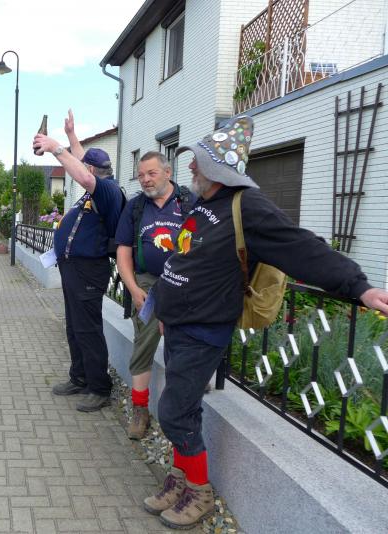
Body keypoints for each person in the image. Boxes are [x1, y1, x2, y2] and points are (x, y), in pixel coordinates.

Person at [144, 116, 388, 529]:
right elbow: (187, 257)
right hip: (179, 323)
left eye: (198, 161)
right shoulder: (204, 202)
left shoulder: (247, 206)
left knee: (173, 411)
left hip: (204, 329)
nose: (191, 167)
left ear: (217, 168)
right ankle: (181, 479)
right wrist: (165, 311)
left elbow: (300, 246)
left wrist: (358, 286)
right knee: (182, 407)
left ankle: (199, 492)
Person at [33, 109, 124, 413]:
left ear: (94, 170)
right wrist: (72, 135)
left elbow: (83, 173)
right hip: (73, 269)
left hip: (88, 270)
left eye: (85, 167)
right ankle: (80, 377)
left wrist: (55, 147)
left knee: (88, 329)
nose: (79, 169)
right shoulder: (97, 184)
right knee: (75, 326)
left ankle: (99, 387)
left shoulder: (108, 189)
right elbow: (84, 162)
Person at [115, 152, 195, 439]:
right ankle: (140, 410)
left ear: (168, 172)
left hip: (184, 283)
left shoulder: (189, 203)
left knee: (185, 340)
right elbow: (123, 250)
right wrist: (133, 288)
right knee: (145, 340)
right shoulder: (136, 207)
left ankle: (182, 404)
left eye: (151, 173)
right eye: (141, 175)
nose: (145, 180)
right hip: (147, 282)